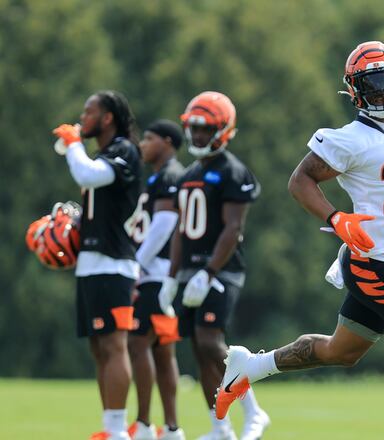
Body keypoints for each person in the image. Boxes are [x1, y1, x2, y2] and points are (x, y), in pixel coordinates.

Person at [213, 41, 384, 440]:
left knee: (342, 352)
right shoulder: (347, 139)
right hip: (372, 261)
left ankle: (250, 366)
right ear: (354, 90)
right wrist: (336, 218)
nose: (380, 91)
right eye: (370, 84)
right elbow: (299, 181)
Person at [157, 92, 269, 440]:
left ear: (222, 130)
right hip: (190, 270)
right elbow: (180, 230)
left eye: (205, 129)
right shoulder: (190, 172)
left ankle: (253, 411)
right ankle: (221, 429)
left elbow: (233, 228)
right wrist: (171, 277)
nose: (197, 135)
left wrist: (208, 272)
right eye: (193, 128)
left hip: (221, 270)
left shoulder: (232, 171)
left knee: (210, 343)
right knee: (199, 350)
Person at [52, 90, 143, 440]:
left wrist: (74, 143)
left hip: (114, 265)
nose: (82, 117)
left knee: (113, 345)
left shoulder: (124, 151)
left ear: (107, 118)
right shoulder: (103, 154)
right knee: (97, 348)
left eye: (89, 112)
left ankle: (118, 431)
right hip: (91, 264)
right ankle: (110, 427)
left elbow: (88, 175)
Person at [126, 120, 186, 440]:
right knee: (163, 351)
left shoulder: (169, 175)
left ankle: (145, 426)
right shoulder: (163, 176)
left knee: (138, 344)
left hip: (156, 276)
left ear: (167, 142)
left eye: (149, 139)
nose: (143, 145)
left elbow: (165, 224)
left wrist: (136, 266)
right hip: (166, 278)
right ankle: (172, 429)